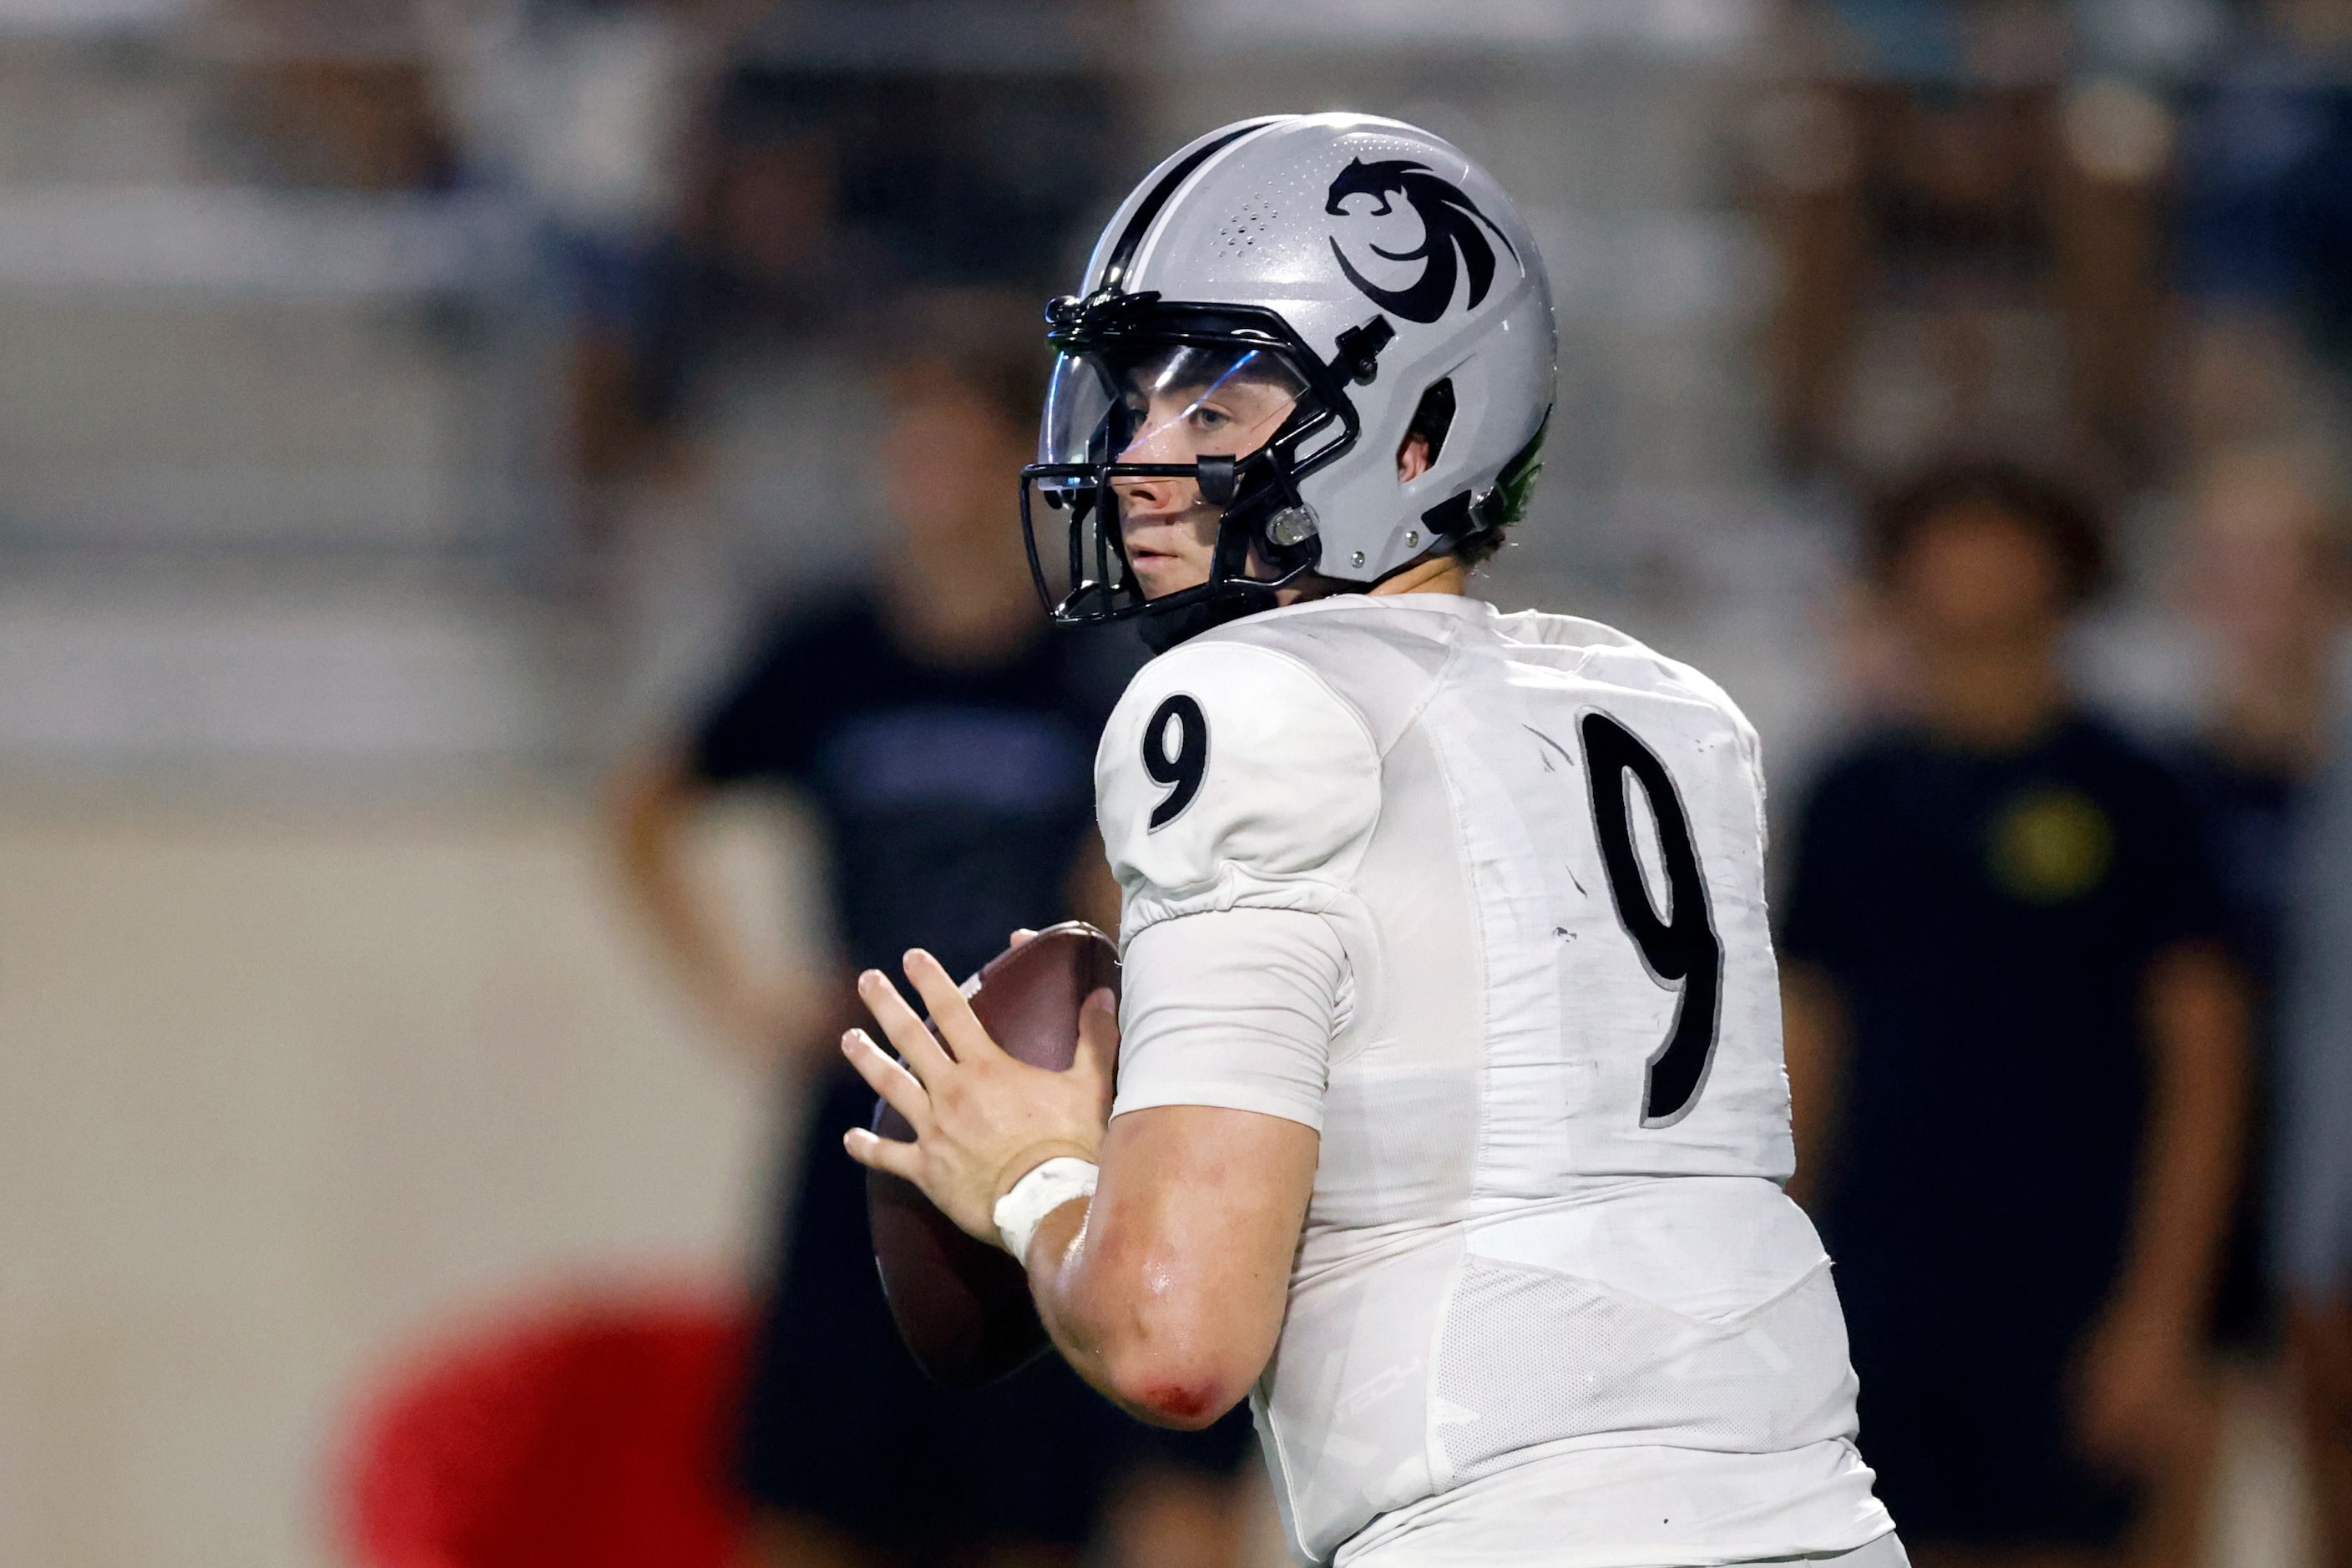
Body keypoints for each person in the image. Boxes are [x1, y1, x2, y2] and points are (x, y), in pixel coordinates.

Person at [838, 113, 1903, 1568]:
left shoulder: (1237, 703)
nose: (1139, 459)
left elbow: (1172, 1337)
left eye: (1210, 412)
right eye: (1135, 402)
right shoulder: (1666, 708)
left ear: (1417, 430)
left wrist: (1027, 1178)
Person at [606, 297, 1257, 1568]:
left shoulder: (1102, 667)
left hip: (1034, 1133)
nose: (924, 467)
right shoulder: (830, 651)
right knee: (804, 1499)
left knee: (1023, 1505)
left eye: (952, 435)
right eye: (906, 434)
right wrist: (742, 996)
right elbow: (644, 807)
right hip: (865, 1132)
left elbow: (1158, 868)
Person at [1778, 463, 2249, 1568]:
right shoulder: (1850, 793)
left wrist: (2159, 1316)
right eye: (1946, 540)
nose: (1973, 570)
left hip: (2078, 1280)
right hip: (1886, 1280)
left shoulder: (2143, 788)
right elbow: (1806, 1046)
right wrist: (1775, 1287)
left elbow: (2206, 1061)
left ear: (2068, 571)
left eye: (2001, 538)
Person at [2167, 443, 2350, 1363]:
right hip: (2205, 1164)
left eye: (2278, 562)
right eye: (2225, 564)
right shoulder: (2156, 775)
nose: (2253, 592)